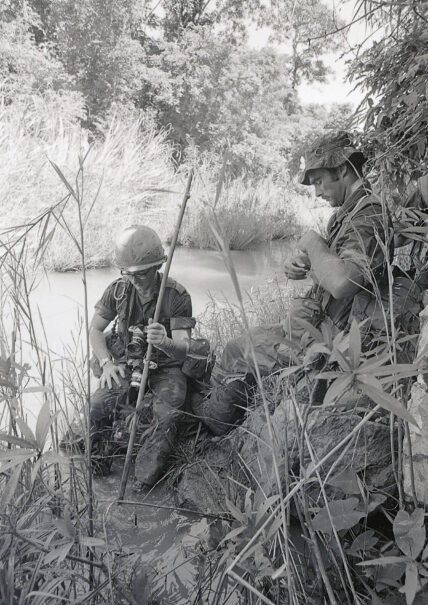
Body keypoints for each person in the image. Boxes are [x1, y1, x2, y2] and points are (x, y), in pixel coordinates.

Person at [199, 130, 395, 435]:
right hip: (317, 325)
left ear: (342, 169)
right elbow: (340, 267)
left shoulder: (368, 215)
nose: (317, 192)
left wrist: (314, 243)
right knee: (244, 342)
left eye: (318, 181)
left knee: (236, 349)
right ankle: (222, 415)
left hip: (329, 339)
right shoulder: (351, 213)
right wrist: (306, 265)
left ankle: (212, 430)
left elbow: (343, 283)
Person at [89, 224, 195, 486]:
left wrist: (166, 342)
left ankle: (144, 478)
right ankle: (97, 466)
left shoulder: (176, 296)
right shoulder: (118, 290)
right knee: (98, 404)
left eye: (143, 274)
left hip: (166, 366)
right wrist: (106, 363)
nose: (135, 279)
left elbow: (184, 348)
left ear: (157, 267)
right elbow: (95, 330)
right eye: (129, 273)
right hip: (127, 362)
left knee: (168, 414)